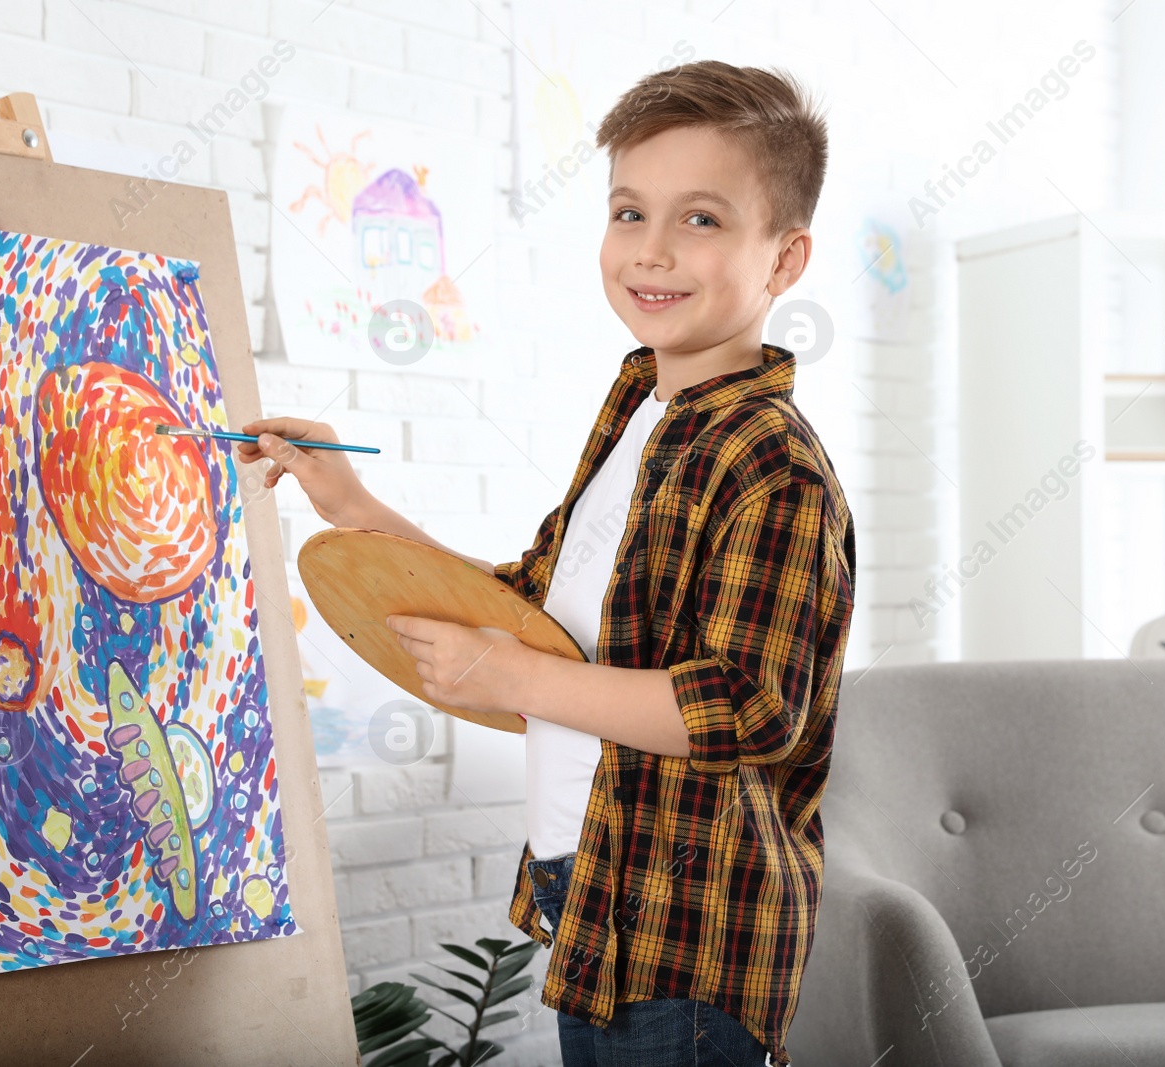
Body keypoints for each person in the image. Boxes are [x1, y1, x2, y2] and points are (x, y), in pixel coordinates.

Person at [237, 59, 855, 1067]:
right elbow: (531, 606)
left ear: (783, 259)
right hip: (596, 897)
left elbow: (748, 705)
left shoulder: (769, 462)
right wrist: (349, 505)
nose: (650, 250)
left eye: (699, 219)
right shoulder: (637, 417)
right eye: (627, 211)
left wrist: (514, 678)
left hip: (689, 932)